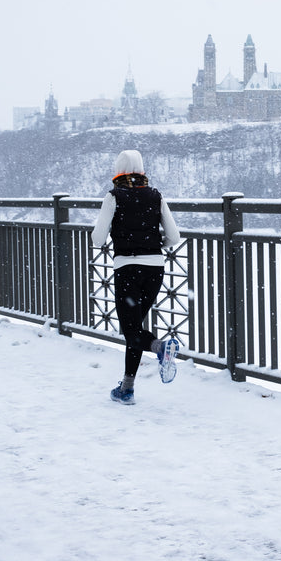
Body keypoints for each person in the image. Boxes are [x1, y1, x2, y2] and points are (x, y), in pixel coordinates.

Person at [91, 149, 182, 404]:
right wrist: (152, 245)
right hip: (155, 269)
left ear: (118, 171)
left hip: (128, 269)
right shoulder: (155, 196)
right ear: (142, 170)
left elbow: (97, 239)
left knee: (131, 331)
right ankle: (127, 388)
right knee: (135, 329)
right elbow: (174, 237)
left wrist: (121, 237)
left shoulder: (114, 196)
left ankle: (161, 348)